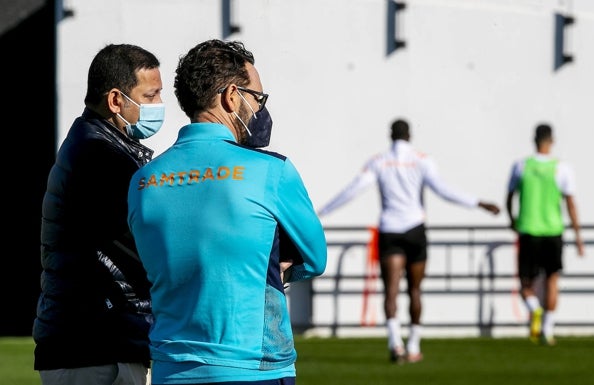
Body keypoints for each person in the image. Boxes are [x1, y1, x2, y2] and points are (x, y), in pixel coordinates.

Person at [127, 39, 327, 385]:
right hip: (253, 366)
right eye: (258, 98)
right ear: (232, 97)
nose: (260, 110)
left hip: (170, 367)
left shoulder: (143, 179)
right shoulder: (271, 170)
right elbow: (315, 259)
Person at [316, 118, 500, 363]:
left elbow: (354, 189)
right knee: (415, 290)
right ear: (410, 135)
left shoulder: (379, 161)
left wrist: (321, 212)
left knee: (390, 291)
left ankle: (395, 344)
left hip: (390, 230)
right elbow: (444, 190)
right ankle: (413, 346)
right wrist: (478, 202)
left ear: (390, 135)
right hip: (415, 229)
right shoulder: (421, 160)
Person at [34, 43, 165, 385]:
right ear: (116, 100)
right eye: (150, 96)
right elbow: (147, 247)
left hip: (92, 337)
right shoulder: (99, 155)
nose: (158, 106)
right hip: (96, 342)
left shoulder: (96, 145)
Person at [506, 123, 584, 346]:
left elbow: (509, 197)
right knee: (552, 279)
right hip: (553, 231)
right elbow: (570, 203)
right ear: (552, 141)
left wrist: (512, 220)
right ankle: (548, 329)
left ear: (534, 140)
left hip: (528, 229)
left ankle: (534, 309)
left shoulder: (521, 166)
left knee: (525, 282)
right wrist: (578, 236)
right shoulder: (562, 168)